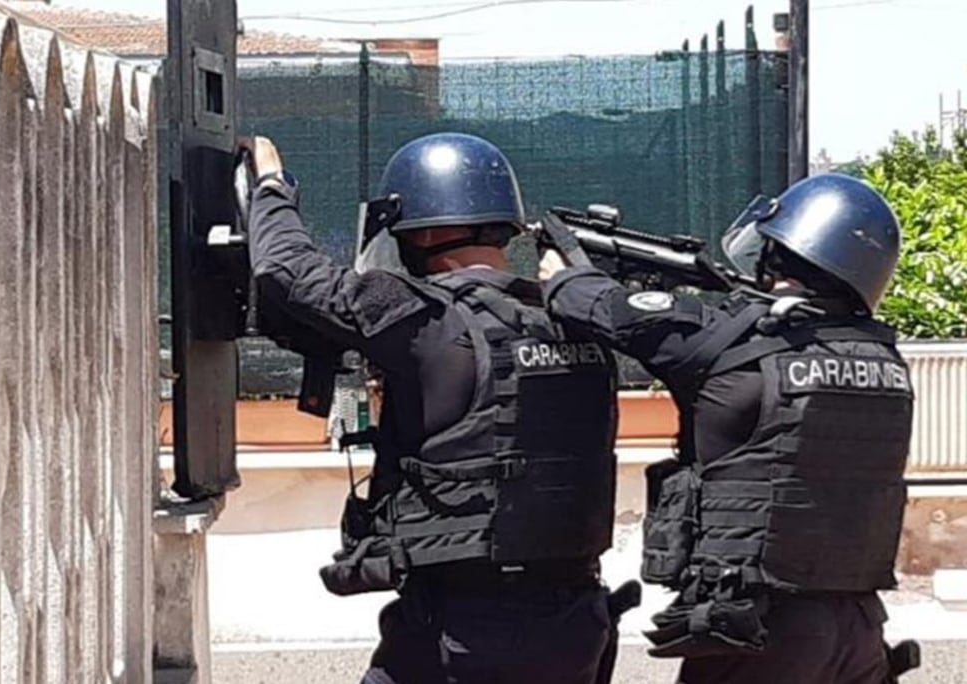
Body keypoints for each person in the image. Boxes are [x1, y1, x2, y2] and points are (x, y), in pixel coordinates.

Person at [242, 131, 631, 684]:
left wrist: (272, 186)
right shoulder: (575, 320)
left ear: (421, 231)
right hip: (576, 624)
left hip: (460, 627)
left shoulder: (424, 318)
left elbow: (288, 272)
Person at [537, 172, 916, 684]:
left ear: (780, 257)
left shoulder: (733, 346)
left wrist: (562, 272)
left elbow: (594, 306)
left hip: (758, 629)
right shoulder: (885, 361)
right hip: (858, 629)